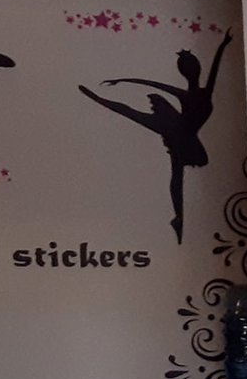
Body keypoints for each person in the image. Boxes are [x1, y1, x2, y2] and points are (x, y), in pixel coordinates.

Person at [79, 29, 233, 243]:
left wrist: (223, 45)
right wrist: (121, 80)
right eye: (189, 68)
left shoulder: (196, 92)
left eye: (191, 67)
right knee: (174, 172)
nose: (192, 71)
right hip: (177, 130)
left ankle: (179, 218)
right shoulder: (188, 93)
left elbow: (214, 66)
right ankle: (178, 218)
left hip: (182, 133)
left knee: (176, 174)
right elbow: (150, 84)